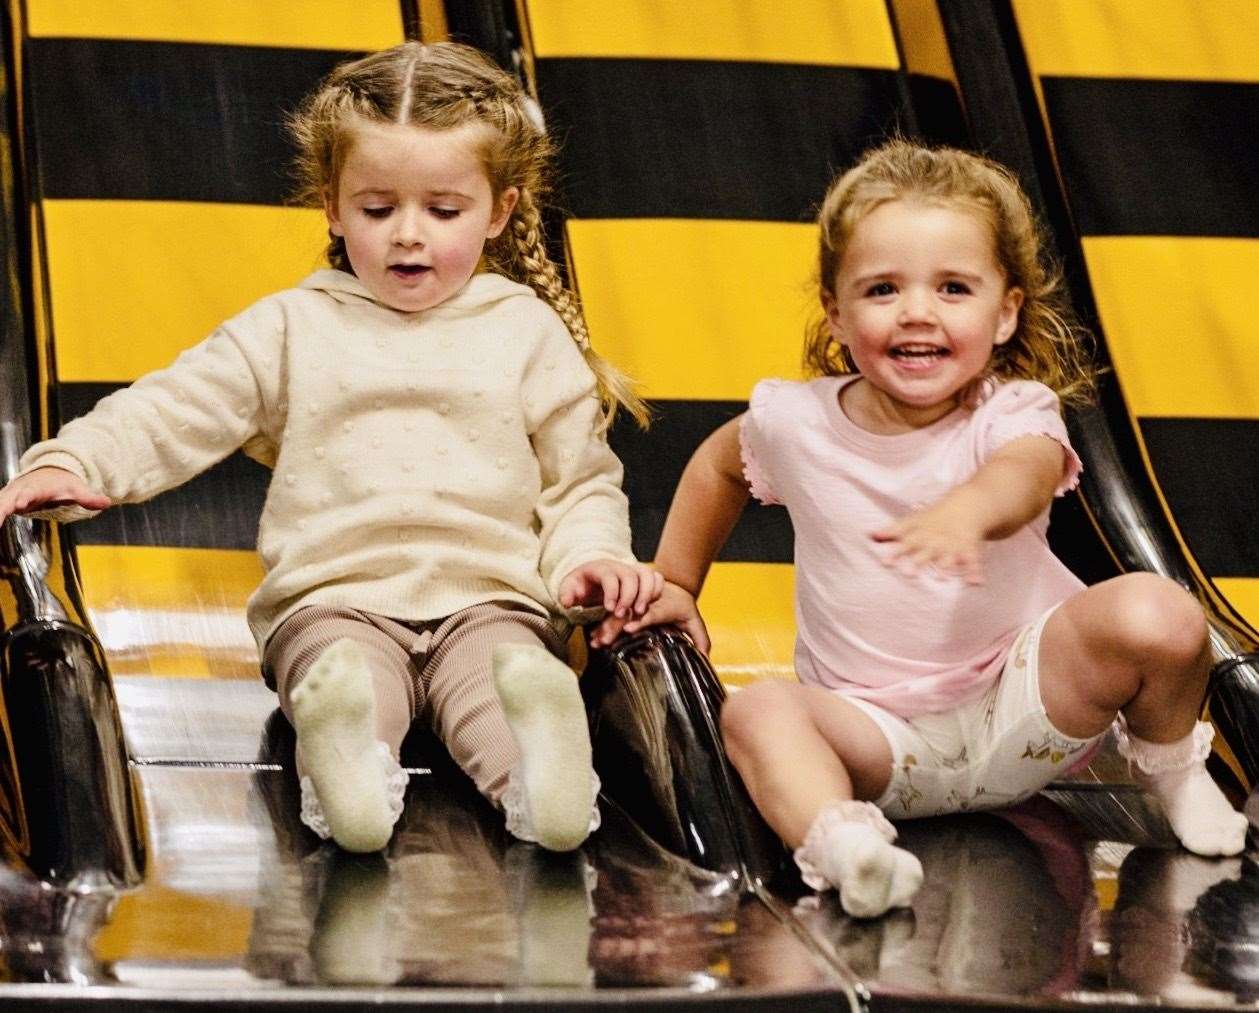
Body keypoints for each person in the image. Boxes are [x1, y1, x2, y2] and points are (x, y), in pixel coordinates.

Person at [0, 41, 662, 855]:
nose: (407, 237)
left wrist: (586, 563)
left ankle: (547, 782)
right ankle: (349, 772)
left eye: (443, 212)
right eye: (377, 209)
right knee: (345, 684)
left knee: (503, 690)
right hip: (333, 599)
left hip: (490, 603)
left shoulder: (524, 331)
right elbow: (173, 407)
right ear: (331, 205)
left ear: (498, 210)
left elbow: (578, 483)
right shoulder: (292, 326)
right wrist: (74, 463)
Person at [595, 140, 1248, 918]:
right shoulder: (795, 421)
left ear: (1004, 312)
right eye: (881, 288)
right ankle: (845, 845)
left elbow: (1027, 471)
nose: (916, 312)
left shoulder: (1011, 412)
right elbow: (716, 467)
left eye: (952, 287)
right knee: (757, 712)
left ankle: (1172, 771)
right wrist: (677, 579)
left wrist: (968, 509)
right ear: (836, 312)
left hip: (1022, 710)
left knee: (1160, 612)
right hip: (874, 736)